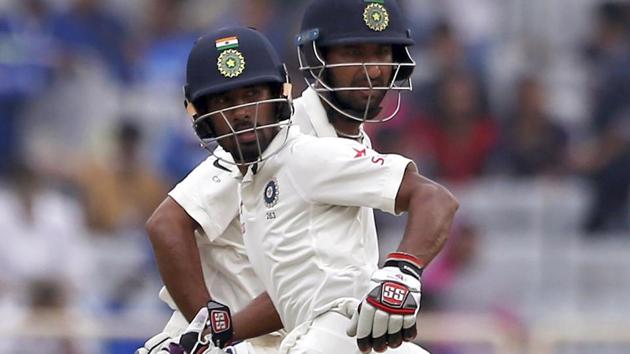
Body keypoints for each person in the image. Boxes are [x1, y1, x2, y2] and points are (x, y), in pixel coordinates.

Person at [138, 0, 425, 352]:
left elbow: (304, 289)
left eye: (381, 54)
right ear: (316, 58)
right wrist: (206, 333)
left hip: (279, 337)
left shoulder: (347, 146)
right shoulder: (272, 134)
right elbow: (168, 222)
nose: (371, 71)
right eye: (352, 53)